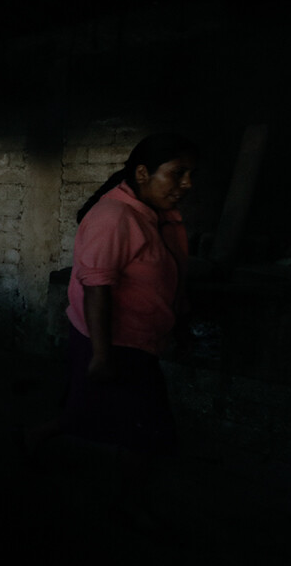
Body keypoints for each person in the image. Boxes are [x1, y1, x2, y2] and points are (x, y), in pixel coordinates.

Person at [23, 133, 198, 526]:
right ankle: (130, 502)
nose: (187, 184)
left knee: (91, 412)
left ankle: (35, 438)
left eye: (190, 174)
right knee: (146, 429)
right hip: (113, 341)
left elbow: (170, 276)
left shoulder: (157, 215)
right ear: (141, 173)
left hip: (135, 341)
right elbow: (97, 288)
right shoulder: (114, 217)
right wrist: (102, 354)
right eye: (178, 173)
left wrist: (179, 324)